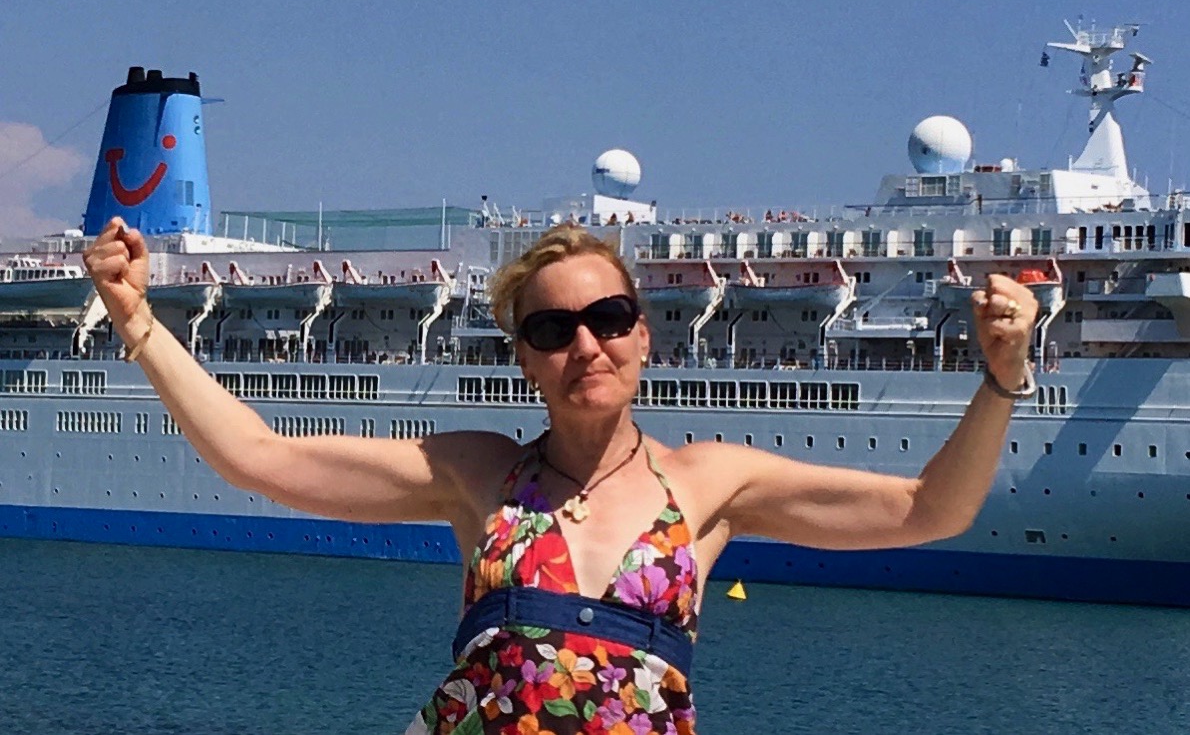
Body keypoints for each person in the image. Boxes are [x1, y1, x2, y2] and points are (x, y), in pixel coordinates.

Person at [84, 218, 1038, 735]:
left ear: (644, 335)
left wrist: (1001, 379)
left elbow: (930, 510)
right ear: (525, 358)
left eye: (609, 317)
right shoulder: (477, 475)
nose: (586, 343)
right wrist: (136, 321)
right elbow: (261, 458)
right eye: (552, 329)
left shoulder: (708, 485)